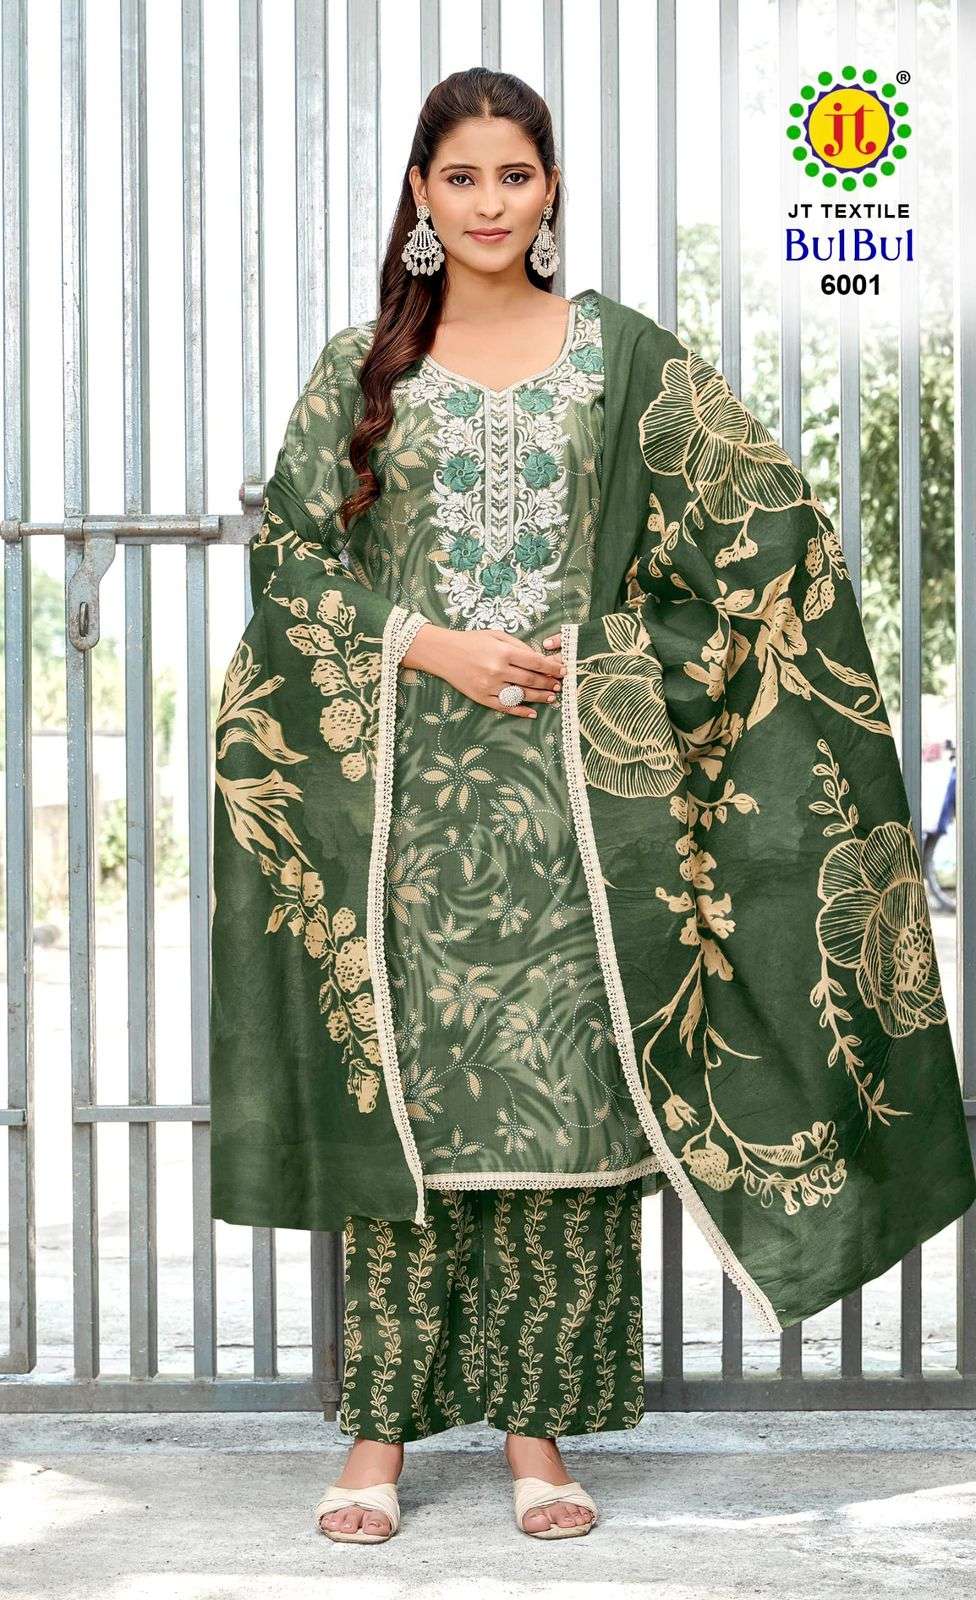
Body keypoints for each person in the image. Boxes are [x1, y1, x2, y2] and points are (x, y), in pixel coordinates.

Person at [209, 66, 976, 1544]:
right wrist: (425, 642)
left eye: (516, 175)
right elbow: (292, 561)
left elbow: (771, 540)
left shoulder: (625, 360)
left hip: (579, 808)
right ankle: (375, 1439)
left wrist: (613, 653)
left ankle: (538, 1436)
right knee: (412, 1110)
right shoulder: (362, 369)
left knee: (566, 1105)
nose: (490, 203)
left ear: (550, 188)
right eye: (461, 177)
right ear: (421, 196)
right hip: (403, 817)